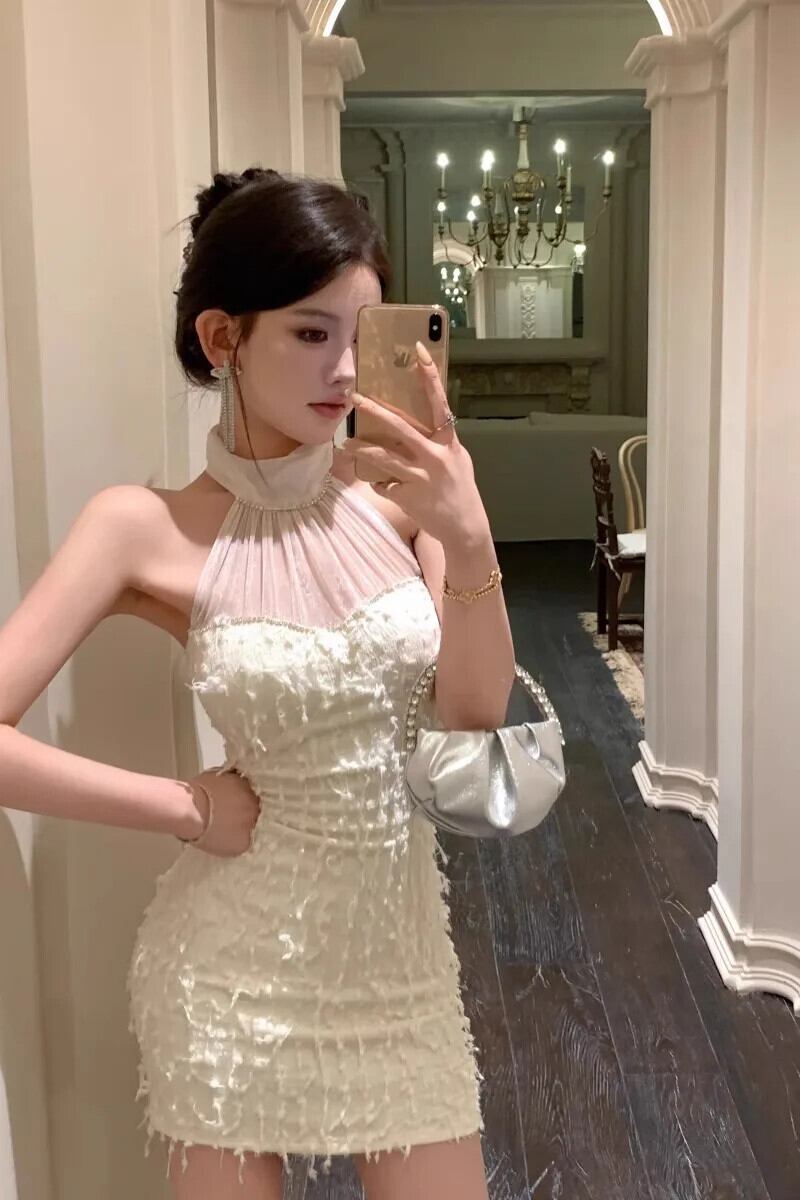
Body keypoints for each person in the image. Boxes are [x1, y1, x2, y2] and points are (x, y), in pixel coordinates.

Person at [0, 167, 515, 1199]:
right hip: (230, 977)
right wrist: (185, 807)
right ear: (221, 338)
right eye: (310, 333)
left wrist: (467, 537)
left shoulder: (400, 501)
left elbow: (473, 714)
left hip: (399, 965)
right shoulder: (141, 527)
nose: (343, 370)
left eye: (361, 334)